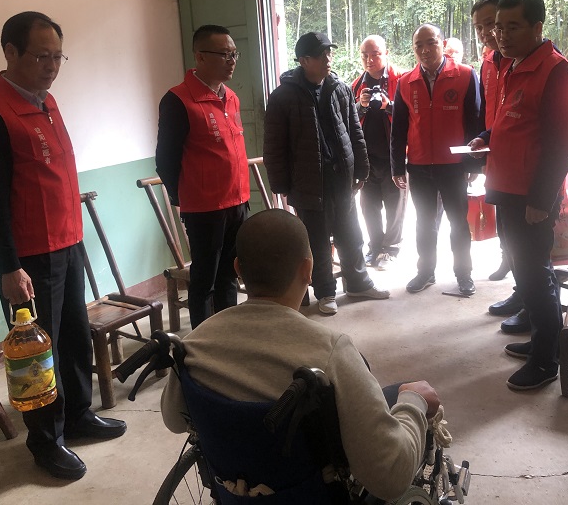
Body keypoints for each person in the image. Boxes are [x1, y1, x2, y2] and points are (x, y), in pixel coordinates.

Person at [161, 209, 440, 501]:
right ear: (308, 269)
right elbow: (389, 478)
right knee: (405, 392)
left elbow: (174, 421)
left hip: (235, 493)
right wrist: (413, 402)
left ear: (238, 269)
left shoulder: (194, 344)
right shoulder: (331, 352)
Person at [0, 11, 125, 481]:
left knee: (73, 337)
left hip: (67, 242)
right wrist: (8, 267)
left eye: (58, 56)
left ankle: (77, 416)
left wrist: (75, 238)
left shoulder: (47, 102)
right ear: (10, 52)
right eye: (41, 56)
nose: (52, 66)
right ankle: (45, 442)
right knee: (38, 354)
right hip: (29, 257)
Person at [469, 0, 568, 390]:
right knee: (524, 270)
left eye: (512, 27)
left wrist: (540, 200)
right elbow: (512, 121)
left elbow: (561, 145)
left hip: (530, 196)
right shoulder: (512, 65)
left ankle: (547, 359)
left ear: (537, 27)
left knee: (535, 275)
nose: (501, 35)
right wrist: (486, 137)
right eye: (498, 27)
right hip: (506, 187)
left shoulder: (556, 72)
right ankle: (542, 338)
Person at [264, 31, 389, 315]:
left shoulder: (339, 88)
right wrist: (281, 185)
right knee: (317, 241)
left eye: (329, 53)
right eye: (321, 55)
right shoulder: (283, 96)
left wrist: (361, 168)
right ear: (304, 60)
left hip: (340, 175)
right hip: (307, 180)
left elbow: (354, 131)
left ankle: (358, 283)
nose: (328, 59)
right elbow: (274, 145)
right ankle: (325, 292)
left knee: (350, 233)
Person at [155, 25, 250, 329]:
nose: (232, 61)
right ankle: (203, 341)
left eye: (234, 54)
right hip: (205, 208)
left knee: (229, 275)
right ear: (200, 57)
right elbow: (165, 160)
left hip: (238, 202)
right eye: (224, 54)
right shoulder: (178, 100)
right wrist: (185, 197)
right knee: (205, 280)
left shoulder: (231, 97)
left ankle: (228, 335)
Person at [391, 24, 482, 296]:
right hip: (419, 165)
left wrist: (473, 164)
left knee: (458, 223)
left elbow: (475, 122)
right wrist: (397, 166)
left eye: (430, 43)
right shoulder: (405, 82)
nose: (425, 50)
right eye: (418, 45)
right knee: (424, 223)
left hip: (453, 165)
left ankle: (464, 274)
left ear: (442, 43)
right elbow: (398, 129)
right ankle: (426, 272)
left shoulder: (465, 75)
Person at [472, 0, 528, 330]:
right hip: (496, 156)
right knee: (506, 230)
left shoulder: (522, 62)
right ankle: (520, 292)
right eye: (479, 26)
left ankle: (532, 303)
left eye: (491, 24)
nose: (487, 32)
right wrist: (484, 139)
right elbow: (491, 112)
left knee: (527, 242)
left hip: (521, 167)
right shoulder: (489, 63)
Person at [351, 35, 407, 271]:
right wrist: (361, 106)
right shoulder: (356, 86)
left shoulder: (401, 80)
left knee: (396, 206)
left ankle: (391, 249)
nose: (369, 59)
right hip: (368, 158)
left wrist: (389, 105)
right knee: (369, 206)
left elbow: (412, 115)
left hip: (395, 156)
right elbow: (350, 119)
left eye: (375, 54)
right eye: (364, 55)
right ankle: (375, 247)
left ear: (386, 53)